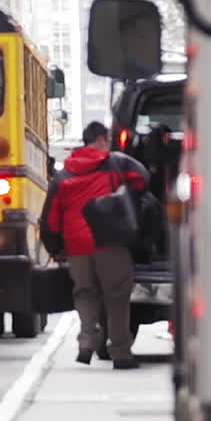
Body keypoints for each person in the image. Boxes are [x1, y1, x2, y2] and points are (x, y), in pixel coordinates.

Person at [40, 121, 149, 368]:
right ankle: (120, 352)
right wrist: (127, 198)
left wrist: (55, 247)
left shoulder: (64, 174)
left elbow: (51, 218)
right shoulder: (114, 163)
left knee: (85, 293)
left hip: (76, 245)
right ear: (101, 138)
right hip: (108, 239)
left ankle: (86, 343)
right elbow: (142, 178)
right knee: (117, 296)